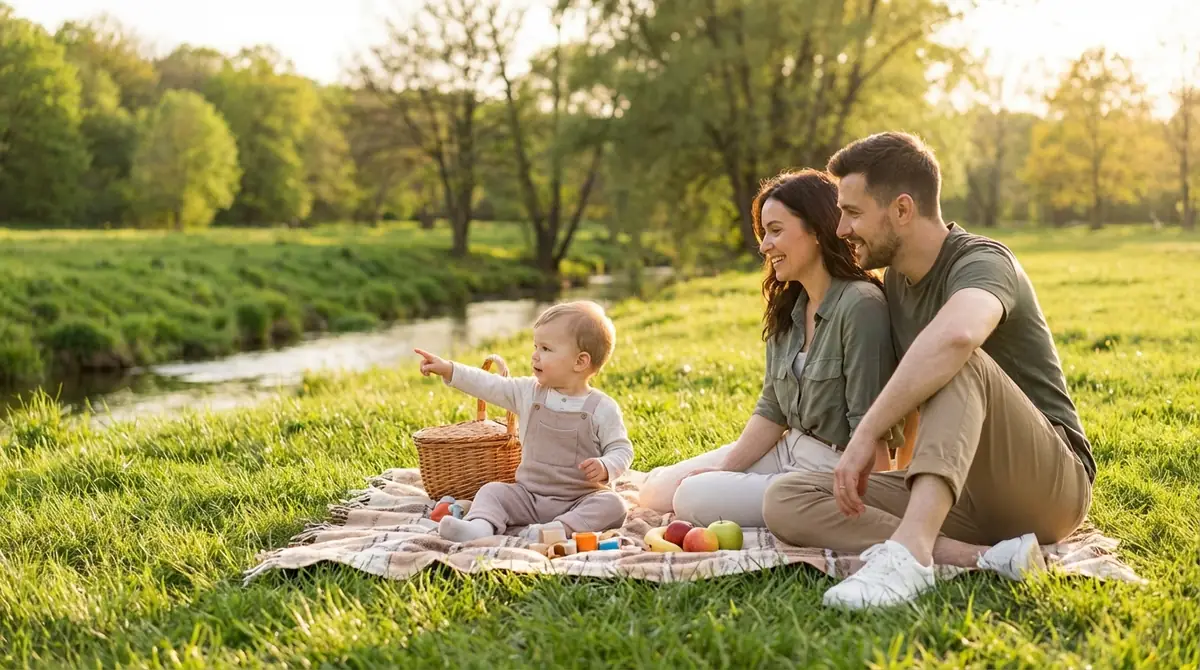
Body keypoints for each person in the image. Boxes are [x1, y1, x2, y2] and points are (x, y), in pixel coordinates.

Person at [763, 132, 1096, 610]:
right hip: (961, 497)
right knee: (787, 498)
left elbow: (957, 338)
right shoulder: (896, 285)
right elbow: (916, 407)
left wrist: (865, 434)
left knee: (958, 359)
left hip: (1047, 484)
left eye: (853, 213)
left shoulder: (984, 260)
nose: (840, 229)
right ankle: (984, 558)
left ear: (901, 209)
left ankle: (910, 555)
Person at [638, 169, 903, 527]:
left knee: (689, 497)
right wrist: (724, 469)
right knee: (655, 492)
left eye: (775, 232)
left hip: (833, 469)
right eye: (764, 234)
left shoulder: (861, 305)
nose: (764, 247)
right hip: (789, 448)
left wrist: (876, 501)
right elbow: (772, 410)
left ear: (816, 229)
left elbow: (870, 427)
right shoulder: (790, 306)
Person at [415, 300, 633, 542]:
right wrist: (449, 369)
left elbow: (621, 449)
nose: (535, 355)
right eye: (535, 346)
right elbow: (490, 384)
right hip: (529, 497)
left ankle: (554, 531)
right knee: (492, 491)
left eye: (546, 349)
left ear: (580, 362)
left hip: (580, 500)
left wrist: (606, 466)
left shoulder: (602, 407)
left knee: (614, 505)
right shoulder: (529, 392)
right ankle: (479, 528)